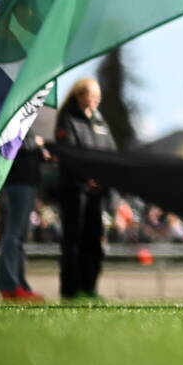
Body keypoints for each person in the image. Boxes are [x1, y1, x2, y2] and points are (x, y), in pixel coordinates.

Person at [54, 77, 116, 300]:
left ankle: (90, 288)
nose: (97, 98)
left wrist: (104, 179)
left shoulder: (100, 122)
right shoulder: (67, 119)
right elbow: (68, 151)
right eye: (92, 94)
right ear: (80, 95)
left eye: (98, 94)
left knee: (94, 240)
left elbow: (111, 152)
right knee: (74, 241)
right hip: (75, 191)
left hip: (97, 194)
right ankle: (71, 290)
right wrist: (85, 177)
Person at [0, 136, 47, 302]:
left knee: (16, 235)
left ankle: (17, 285)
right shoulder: (15, 112)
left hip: (24, 180)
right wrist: (37, 144)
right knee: (14, 234)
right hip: (19, 180)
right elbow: (10, 143)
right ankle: (11, 285)